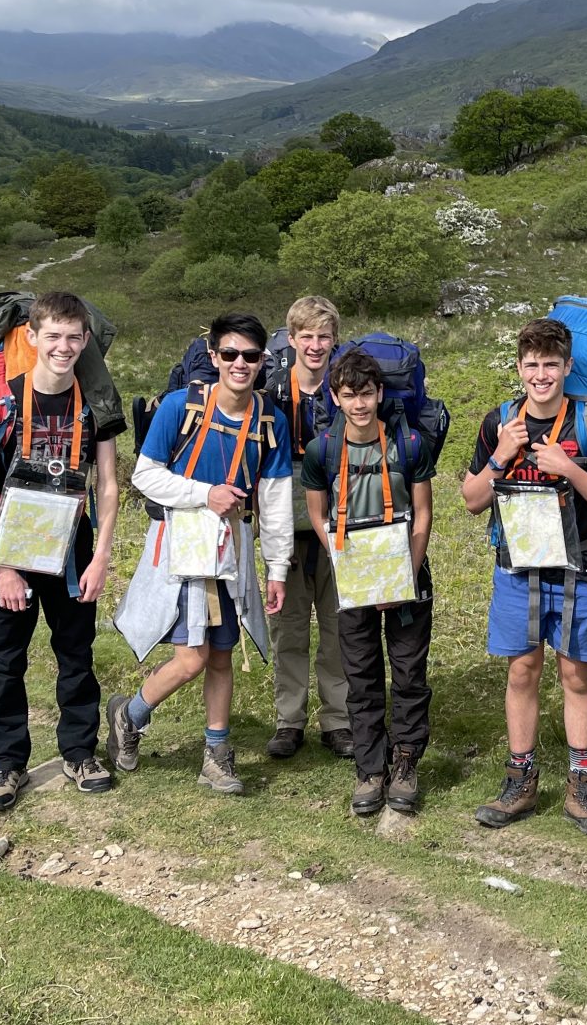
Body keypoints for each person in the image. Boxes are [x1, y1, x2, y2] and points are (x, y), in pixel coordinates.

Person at [109, 312, 292, 795]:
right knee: (192, 659)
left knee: (222, 656)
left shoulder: (270, 421)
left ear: (262, 361)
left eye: (249, 356)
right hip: (184, 549)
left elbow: (275, 501)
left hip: (231, 553)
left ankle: (217, 754)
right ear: (214, 356)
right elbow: (145, 475)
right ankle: (129, 714)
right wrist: (205, 494)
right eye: (229, 353)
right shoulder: (179, 407)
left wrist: (277, 569)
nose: (239, 363)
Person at [460, 317, 587, 835]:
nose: (541, 375)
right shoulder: (500, 422)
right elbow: (471, 500)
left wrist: (570, 469)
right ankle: (521, 780)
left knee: (576, 675)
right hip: (518, 568)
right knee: (522, 672)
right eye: (531, 365)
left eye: (550, 364)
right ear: (519, 367)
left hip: (579, 570)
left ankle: (582, 785)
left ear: (568, 366)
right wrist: (500, 456)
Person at [0, 290, 121, 813]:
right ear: (31, 337)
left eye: (74, 337)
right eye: (53, 336)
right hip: (7, 552)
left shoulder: (96, 407)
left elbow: (108, 486)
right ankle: (7, 765)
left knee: (76, 655)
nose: (63, 347)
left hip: (72, 553)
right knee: (5, 662)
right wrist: (5, 567)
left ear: (86, 340)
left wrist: (101, 558)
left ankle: (80, 753)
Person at [302, 348, 435, 818]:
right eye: (349, 395)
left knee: (409, 673)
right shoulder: (321, 450)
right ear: (336, 397)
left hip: (406, 576)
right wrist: (350, 567)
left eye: (365, 394)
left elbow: (423, 515)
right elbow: (318, 515)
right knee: (360, 676)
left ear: (379, 394)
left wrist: (402, 576)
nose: (358, 404)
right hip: (355, 580)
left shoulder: (409, 444)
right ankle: (370, 769)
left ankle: (406, 762)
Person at [268, 295, 353, 761]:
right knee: (289, 626)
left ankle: (338, 720)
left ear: (334, 339)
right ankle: (289, 720)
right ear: (292, 338)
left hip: (340, 521)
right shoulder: (271, 391)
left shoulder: (347, 389)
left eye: (324, 336)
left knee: (340, 625)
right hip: (285, 524)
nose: (315, 346)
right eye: (307, 336)